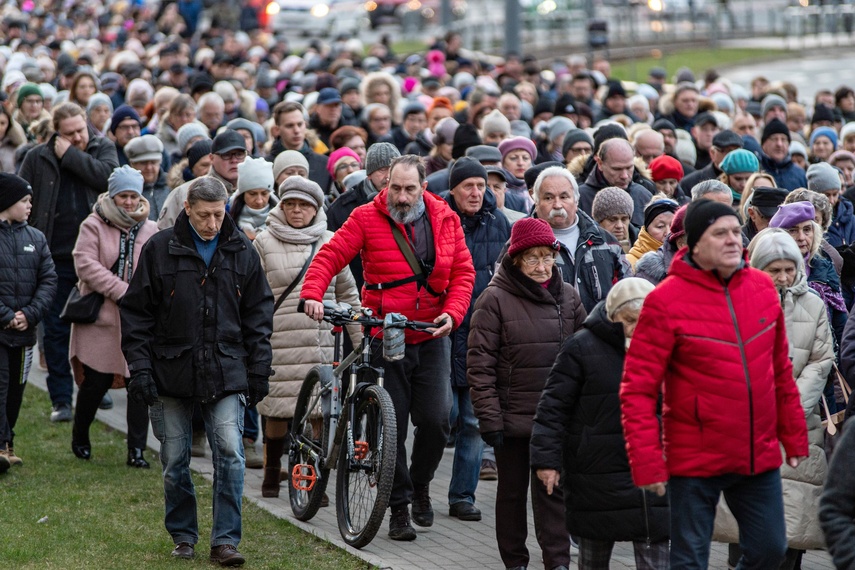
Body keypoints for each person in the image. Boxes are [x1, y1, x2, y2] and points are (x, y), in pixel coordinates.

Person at [620, 199, 809, 569]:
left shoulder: (761, 287)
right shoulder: (664, 301)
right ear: (693, 244)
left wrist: (794, 435)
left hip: (756, 452)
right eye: (720, 233)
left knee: (771, 550)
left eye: (737, 232)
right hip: (694, 456)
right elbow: (637, 389)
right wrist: (646, 461)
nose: (733, 240)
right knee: (689, 561)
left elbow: (780, 370)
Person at [301, 154, 475, 541]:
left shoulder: (445, 218)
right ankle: (397, 506)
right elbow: (331, 254)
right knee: (389, 425)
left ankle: (421, 485)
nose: (400, 196)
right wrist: (313, 293)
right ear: (386, 185)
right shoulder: (366, 216)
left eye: (409, 189)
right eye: (394, 187)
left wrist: (454, 312)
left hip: (430, 332)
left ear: (424, 188)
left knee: (436, 421)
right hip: (384, 332)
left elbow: (463, 272)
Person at [120, 177, 274, 566]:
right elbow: (136, 314)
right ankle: (183, 535)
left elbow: (258, 315)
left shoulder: (241, 248)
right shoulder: (159, 248)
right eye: (203, 215)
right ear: (187, 208)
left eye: (219, 215)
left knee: (231, 453)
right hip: (169, 369)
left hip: (225, 369)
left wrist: (259, 370)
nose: (211, 223)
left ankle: (225, 541)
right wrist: (139, 369)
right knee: (175, 459)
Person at [468, 217, 585, 570]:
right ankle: (515, 561)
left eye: (547, 257)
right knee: (513, 494)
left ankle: (558, 563)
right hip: (512, 420)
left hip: (556, 420)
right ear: (516, 260)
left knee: (554, 494)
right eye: (532, 258)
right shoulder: (495, 299)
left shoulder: (569, 297)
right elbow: (480, 366)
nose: (541, 266)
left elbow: (584, 355)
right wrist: (490, 419)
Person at [714, 228, 833, 568]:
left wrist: (790, 406)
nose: (783, 277)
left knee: (792, 529)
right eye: (774, 269)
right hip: (746, 426)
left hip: (799, 425)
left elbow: (821, 360)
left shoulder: (813, 303)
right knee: (746, 529)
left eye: (789, 269)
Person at [531, 278, 670, 569]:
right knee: (593, 554)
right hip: (595, 473)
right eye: (629, 320)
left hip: (652, 469)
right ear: (612, 314)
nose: (637, 328)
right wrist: (547, 461)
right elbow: (553, 407)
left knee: (655, 550)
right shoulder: (581, 347)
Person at [252, 176, 361, 498]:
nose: (297, 211)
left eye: (304, 205)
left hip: (320, 342)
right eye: (290, 204)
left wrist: (360, 341)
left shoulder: (332, 241)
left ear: (316, 208)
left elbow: (348, 294)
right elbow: (252, 296)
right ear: (281, 205)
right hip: (279, 340)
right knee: (277, 410)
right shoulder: (263, 242)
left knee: (320, 413)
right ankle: (272, 476)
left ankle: (313, 485)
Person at [19, 101, 119, 422]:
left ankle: (94, 389)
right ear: (56, 133)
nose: (78, 137)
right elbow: (24, 199)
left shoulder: (103, 147)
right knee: (57, 330)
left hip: (98, 257)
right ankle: (61, 398)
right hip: (54, 256)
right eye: (70, 134)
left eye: (82, 130)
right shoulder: (38, 157)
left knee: (97, 327)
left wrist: (71, 156)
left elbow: (107, 178)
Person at [69, 166, 158, 467]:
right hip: (102, 318)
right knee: (95, 382)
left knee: (139, 384)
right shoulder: (92, 224)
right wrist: (123, 291)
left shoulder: (150, 229)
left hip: (138, 321)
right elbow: (86, 266)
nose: (130, 202)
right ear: (112, 195)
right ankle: (80, 433)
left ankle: (137, 450)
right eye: (123, 196)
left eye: (134, 196)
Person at [444, 157, 512, 522]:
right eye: (468, 186)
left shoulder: (497, 221)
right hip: (443, 328)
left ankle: (461, 496)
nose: (476, 193)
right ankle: (416, 487)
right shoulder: (438, 218)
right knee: (442, 415)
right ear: (452, 189)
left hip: (481, 334)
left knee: (472, 420)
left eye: (481, 186)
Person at [0, 174, 56, 471]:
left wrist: (29, 314)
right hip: (1, 331)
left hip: (24, 334)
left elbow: (49, 280)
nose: (29, 206)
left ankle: (8, 441)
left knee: (16, 389)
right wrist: (6, 316)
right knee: (0, 385)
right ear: (8, 202)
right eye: (24, 201)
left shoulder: (36, 238)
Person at [531, 167, 629, 312]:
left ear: (576, 201)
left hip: (600, 332)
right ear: (536, 202)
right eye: (549, 198)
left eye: (564, 197)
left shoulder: (606, 242)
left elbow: (626, 289)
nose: (557, 205)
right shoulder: (521, 243)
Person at [326, 142, 400, 290]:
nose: (388, 176)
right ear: (369, 173)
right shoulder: (343, 207)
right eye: (382, 170)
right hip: (359, 292)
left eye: (393, 170)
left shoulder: (410, 200)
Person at [158, 130, 247, 229]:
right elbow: (164, 235)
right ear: (211, 158)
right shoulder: (184, 192)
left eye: (239, 154)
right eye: (226, 155)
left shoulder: (259, 191)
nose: (234, 160)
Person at [578, 139, 653, 228]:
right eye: (617, 169)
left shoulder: (644, 196)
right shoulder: (580, 198)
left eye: (629, 167)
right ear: (600, 164)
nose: (624, 176)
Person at [806, 161, 855, 249]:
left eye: (835, 194)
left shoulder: (850, 218)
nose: (832, 200)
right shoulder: (809, 221)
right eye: (827, 195)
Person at [124, 135, 170, 221]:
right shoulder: (124, 190)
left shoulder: (172, 186)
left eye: (153, 162)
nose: (149, 167)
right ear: (132, 164)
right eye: (143, 163)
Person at [626, 198, 678, 269]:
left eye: (673, 226)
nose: (668, 233)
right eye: (660, 226)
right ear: (646, 230)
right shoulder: (629, 263)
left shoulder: (689, 258)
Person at [591, 185, 636, 253]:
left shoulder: (642, 244)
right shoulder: (589, 248)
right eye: (612, 220)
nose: (619, 226)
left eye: (624, 219)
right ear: (599, 221)